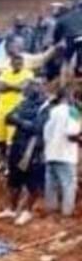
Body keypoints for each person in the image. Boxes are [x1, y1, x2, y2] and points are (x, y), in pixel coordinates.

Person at [0, 78, 51, 225]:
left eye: (33, 88)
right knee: (14, 180)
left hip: (33, 149)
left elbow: (37, 128)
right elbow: (8, 118)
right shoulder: (23, 103)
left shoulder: (45, 108)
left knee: (32, 183)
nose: (28, 91)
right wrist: (22, 122)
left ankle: (27, 211)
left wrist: (19, 121)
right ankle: (11, 209)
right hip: (17, 145)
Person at [43, 88, 80, 218]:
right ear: (69, 97)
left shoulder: (51, 111)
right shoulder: (73, 111)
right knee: (68, 184)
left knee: (51, 184)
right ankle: (66, 213)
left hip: (50, 153)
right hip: (66, 154)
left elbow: (45, 133)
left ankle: (50, 211)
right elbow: (72, 133)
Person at [0, 53, 35, 163]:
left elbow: (23, 86)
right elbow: (0, 87)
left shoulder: (28, 73)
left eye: (20, 62)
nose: (18, 64)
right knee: (0, 139)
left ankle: (11, 164)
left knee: (11, 140)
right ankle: (3, 163)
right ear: (11, 63)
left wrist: (8, 85)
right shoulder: (5, 72)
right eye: (15, 62)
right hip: (1, 109)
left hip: (16, 111)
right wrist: (15, 86)